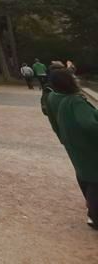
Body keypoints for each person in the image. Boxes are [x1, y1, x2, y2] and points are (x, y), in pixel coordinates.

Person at [47, 69, 98, 229]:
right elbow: (89, 124)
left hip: (74, 143)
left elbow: (53, 121)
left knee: (84, 175)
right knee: (94, 180)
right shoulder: (75, 101)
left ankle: (92, 213)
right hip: (89, 146)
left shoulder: (53, 97)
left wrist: (63, 138)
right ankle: (94, 217)